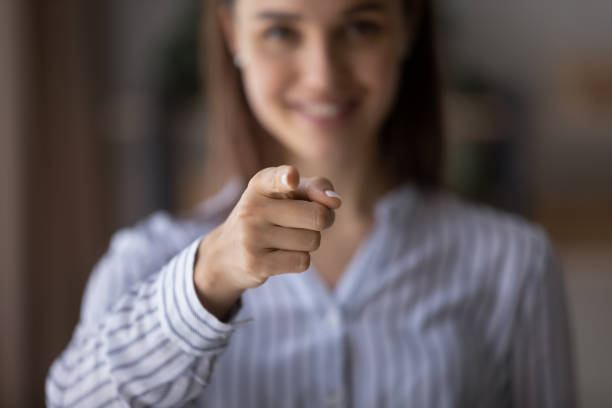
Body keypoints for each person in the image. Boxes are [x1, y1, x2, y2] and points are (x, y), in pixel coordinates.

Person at [46, 0, 576, 406]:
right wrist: (206, 284)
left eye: (360, 26)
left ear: (407, 27)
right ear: (234, 33)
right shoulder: (144, 261)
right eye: (281, 31)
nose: (323, 74)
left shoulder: (513, 261)